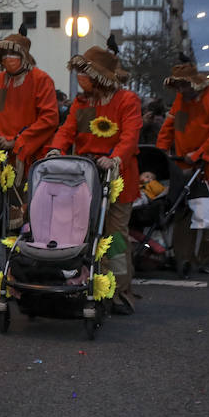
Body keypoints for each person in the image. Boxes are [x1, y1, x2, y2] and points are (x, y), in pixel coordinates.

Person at [46, 40, 142, 313]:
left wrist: (115, 158)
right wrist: (55, 149)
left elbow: (130, 136)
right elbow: (67, 130)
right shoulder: (82, 103)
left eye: (85, 74)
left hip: (118, 178)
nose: (80, 79)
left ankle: (120, 291)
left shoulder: (127, 100)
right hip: (85, 177)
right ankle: (87, 285)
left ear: (100, 77)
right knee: (84, 234)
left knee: (115, 238)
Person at [157, 56, 209, 275]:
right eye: (178, 86)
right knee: (182, 212)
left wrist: (201, 153)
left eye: (184, 85)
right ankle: (184, 258)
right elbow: (169, 126)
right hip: (184, 163)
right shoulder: (181, 99)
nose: (181, 90)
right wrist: (161, 150)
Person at [0, 25, 59, 180]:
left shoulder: (41, 79)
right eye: (5, 54)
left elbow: (49, 119)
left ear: (24, 56)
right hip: (2, 157)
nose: (8, 57)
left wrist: (16, 141)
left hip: (33, 157)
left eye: (13, 53)